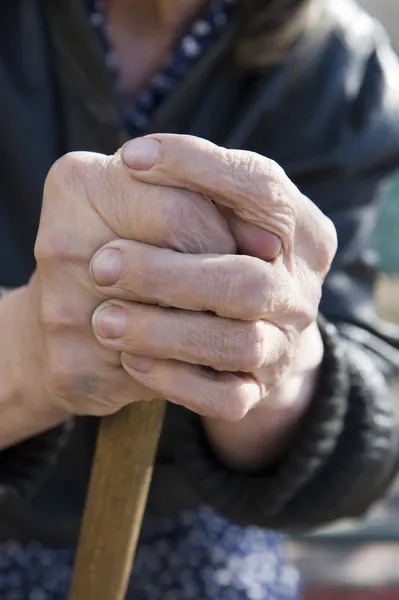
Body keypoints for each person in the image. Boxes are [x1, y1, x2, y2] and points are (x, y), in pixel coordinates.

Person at [1, 0, 399, 598]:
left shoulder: (340, 64)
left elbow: (363, 450)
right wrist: (30, 352)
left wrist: (274, 364)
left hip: (193, 536)